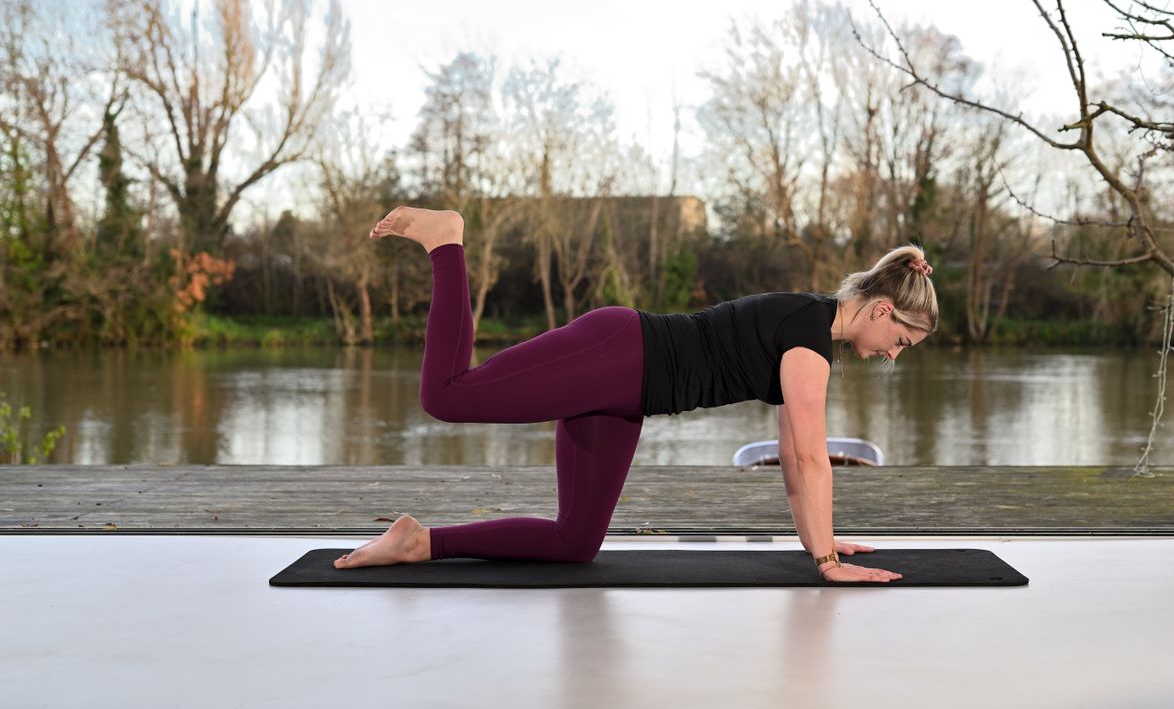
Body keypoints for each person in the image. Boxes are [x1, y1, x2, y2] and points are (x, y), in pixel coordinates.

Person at [334, 206, 937, 583]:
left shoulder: (810, 331)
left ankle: (419, 542)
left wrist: (821, 544)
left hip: (626, 396)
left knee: (575, 545)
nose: (893, 354)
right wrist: (831, 567)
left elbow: (791, 461)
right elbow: (810, 460)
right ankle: (446, 241)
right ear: (883, 309)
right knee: (448, 396)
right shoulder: (808, 341)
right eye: (901, 340)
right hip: (617, 353)